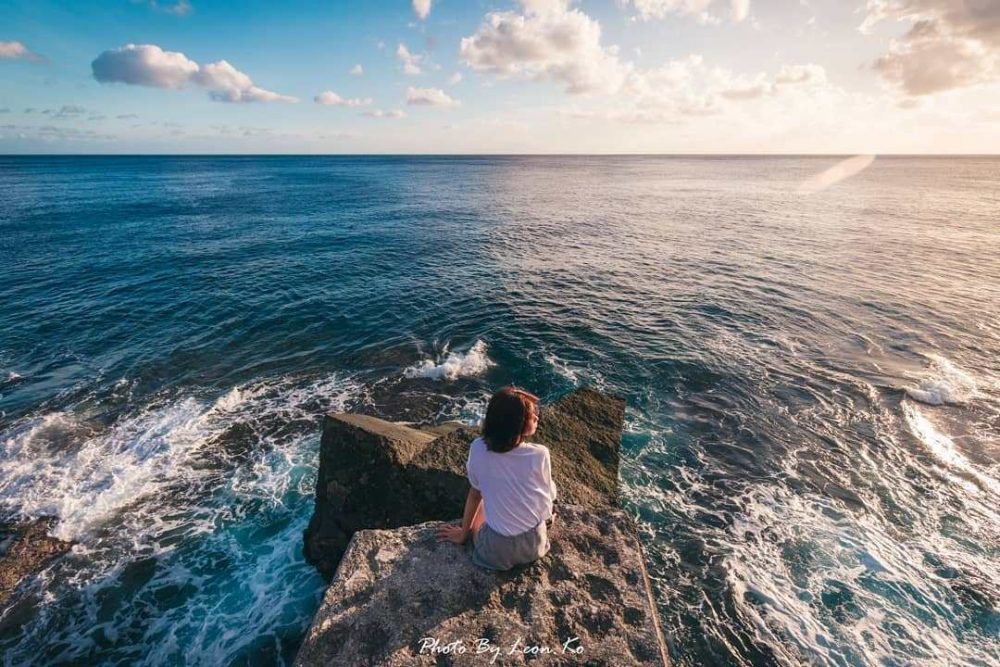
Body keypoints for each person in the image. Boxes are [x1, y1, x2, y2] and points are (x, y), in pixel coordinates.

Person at [435, 386, 557, 571]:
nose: (537, 418)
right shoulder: (540, 454)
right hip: (534, 545)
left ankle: (470, 535)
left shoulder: (478, 448)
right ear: (520, 424)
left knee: (482, 504)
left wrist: (462, 534)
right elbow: (548, 494)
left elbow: (475, 494)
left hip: (496, 552)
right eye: (533, 416)